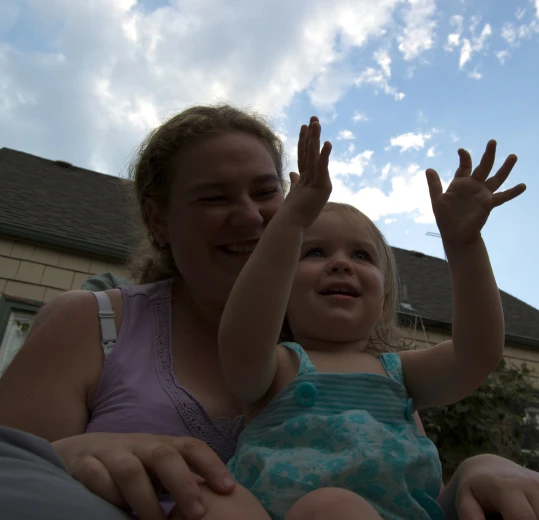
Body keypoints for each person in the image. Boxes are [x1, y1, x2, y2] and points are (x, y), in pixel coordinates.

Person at [0, 104, 539, 520]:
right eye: (214, 197)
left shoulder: (368, 361)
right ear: (158, 217)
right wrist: (75, 451)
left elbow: (474, 357)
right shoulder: (248, 351)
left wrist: (484, 467)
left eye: (267, 194)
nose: (252, 217)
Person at [194, 115, 522, 520]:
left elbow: (478, 354)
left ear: (383, 295)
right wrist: (291, 220)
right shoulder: (276, 366)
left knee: (333, 507)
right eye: (314, 252)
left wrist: (464, 243)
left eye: (361, 256)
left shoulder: (400, 373)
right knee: (206, 494)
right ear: (280, 287)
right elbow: (243, 329)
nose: (340, 264)